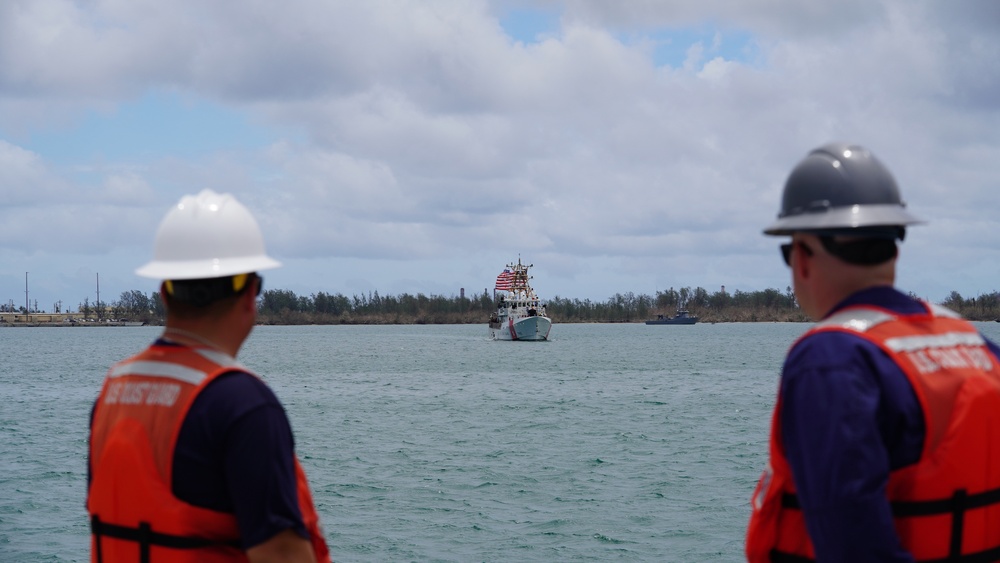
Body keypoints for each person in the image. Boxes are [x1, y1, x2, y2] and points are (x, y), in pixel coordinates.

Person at [745, 143, 1000, 561]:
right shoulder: (975, 344)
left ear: (804, 257)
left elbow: (852, 546)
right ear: (894, 248)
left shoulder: (830, 360)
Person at [87, 189, 331, 562]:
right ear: (251, 294)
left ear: (164, 294)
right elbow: (281, 554)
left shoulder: (113, 390)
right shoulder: (242, 404)